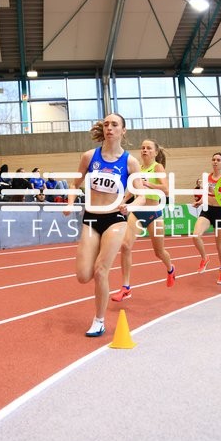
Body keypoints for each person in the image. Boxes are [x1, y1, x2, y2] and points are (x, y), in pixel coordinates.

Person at [63, 113, 141, 337]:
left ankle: (99, 320)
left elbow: (142, 195)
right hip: (91, 217)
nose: (109, 128)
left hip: (115, 218)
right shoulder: (89, 156)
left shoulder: (130, 162)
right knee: (83, 275)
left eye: (114, 125)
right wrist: (70, 203)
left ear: (123, 130)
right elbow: (74, 184)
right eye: (106, 124)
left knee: (100, 270)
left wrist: (130, 206)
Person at [114, 139, 175, 302]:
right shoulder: (137, 168)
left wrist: (147, 184)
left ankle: (170, 268)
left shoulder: (157, 167)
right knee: (125, 245)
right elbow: (132, 189)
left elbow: (166, 189)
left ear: (155, 152)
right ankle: (126, 287)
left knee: (159, 252)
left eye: (148, 148)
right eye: (142, 148)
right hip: (137, 211)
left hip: (153, 213)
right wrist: (123, 200)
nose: (145, 150)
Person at [191, 152, 221, 285]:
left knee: (219, 245)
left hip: (220, 212)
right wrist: (200, 201)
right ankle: (205, 258)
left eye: (218, 160)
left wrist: (215, 192)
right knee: (196, 235)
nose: (215, 162)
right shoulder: (207, 177)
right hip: (207, 210)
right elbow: (205, 194)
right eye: (213, 159)